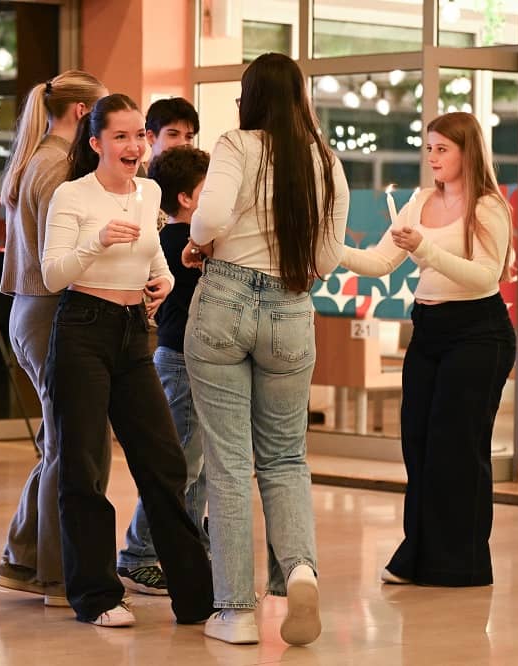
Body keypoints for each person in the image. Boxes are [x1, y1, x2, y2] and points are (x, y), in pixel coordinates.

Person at [182, 52, 348, 646]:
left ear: (248, 99)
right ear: (300, 100)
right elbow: (327, 256)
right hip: (291, 308)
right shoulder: (324, 160)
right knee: (285, 458)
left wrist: (205, 242)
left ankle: (235, 613)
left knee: (228, 463)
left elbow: (208, 219)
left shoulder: (237, 144)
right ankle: (300, 570)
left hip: (224, 302)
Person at [41, 93, 214, 628]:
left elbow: (153, 254)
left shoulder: (149, 191)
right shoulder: (72, 195)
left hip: (134, 334)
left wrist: (163, 279)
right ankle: (96, 596)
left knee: (165, 461)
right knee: (84, 468)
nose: (134, 145)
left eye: (139, 135)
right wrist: (96, 241)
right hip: (82, 330)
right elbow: (52, 274)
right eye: (121, 136)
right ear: (96, 142)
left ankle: (197, 598)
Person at [340, 111, 515, 588]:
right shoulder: (419, 201)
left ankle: (463, 563)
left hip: (478, 333)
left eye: (442, 149)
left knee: (457, 448)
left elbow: (485, 276)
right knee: (417, 443)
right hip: (429, 329)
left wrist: (425, 250)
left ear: (467, 152)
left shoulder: (489, 208)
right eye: (429, 149)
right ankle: (417, 554)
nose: (432, 158)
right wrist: (329, 250)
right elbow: (380, 261)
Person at [0, 70, 107, 607]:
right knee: (71, 446)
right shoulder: (59, 168)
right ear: (83, 113)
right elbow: (62, 258)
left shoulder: (35, 158)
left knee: (61, 440)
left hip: (29, 309)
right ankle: (57, 576)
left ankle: (23, 558)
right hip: (49, 311)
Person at [117, 141, 209, 597]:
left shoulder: (185, 241)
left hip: (189, 360)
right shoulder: (179, 243)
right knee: (179, 466)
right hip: (181, 362)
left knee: (196, 466)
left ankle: (185, 552)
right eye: (209, 191)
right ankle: (138, 554)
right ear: (187, 199)